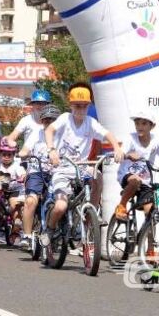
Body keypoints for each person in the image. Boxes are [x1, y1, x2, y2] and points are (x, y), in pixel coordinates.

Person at [42, 84, 124, 244]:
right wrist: (51, 150)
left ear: (89, 106)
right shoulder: (65, 118)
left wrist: (116, 148)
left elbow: (107, 134)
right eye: (77, 106)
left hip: (82, 167)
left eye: (84, 106)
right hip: (63, 168)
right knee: (60, 206)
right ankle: (49, 229)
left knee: (97, 176)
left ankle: (91, 212)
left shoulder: (91, 122)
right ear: (71, 105)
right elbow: (49, 130)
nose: (81, 109)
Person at [114, 110, 159, 221]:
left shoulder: (156, 140)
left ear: (152, 126)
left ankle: (150, 238)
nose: (139, 126)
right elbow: (121, 153)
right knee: (136, 180)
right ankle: (121, 206)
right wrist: (128, 155)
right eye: (137, 123)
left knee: (150, 213)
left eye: (144, 123)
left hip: (146, 181)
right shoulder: (130, 138)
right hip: (127, 175)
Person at [17, 104, 60, 250]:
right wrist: (24, 153)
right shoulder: (37, 133)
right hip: (37, 172)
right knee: (31, 200)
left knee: (60, 202)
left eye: (52, 120)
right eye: (46, 120)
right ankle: (27, 236)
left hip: (56, 173)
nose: (49, 123)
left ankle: (57, 231)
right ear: (42, 121)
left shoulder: (63, 136)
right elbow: (25, 149)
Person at [0, 138, 26, 243]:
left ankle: (16, 229)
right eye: (4, 154)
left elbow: (22, 173)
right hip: (0, 190)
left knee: (14, 206)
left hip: (14, 190)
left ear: (14, 155)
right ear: (0, 154)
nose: (6, 157)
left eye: (9, 155)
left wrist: (22, 177)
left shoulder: (16, 166)